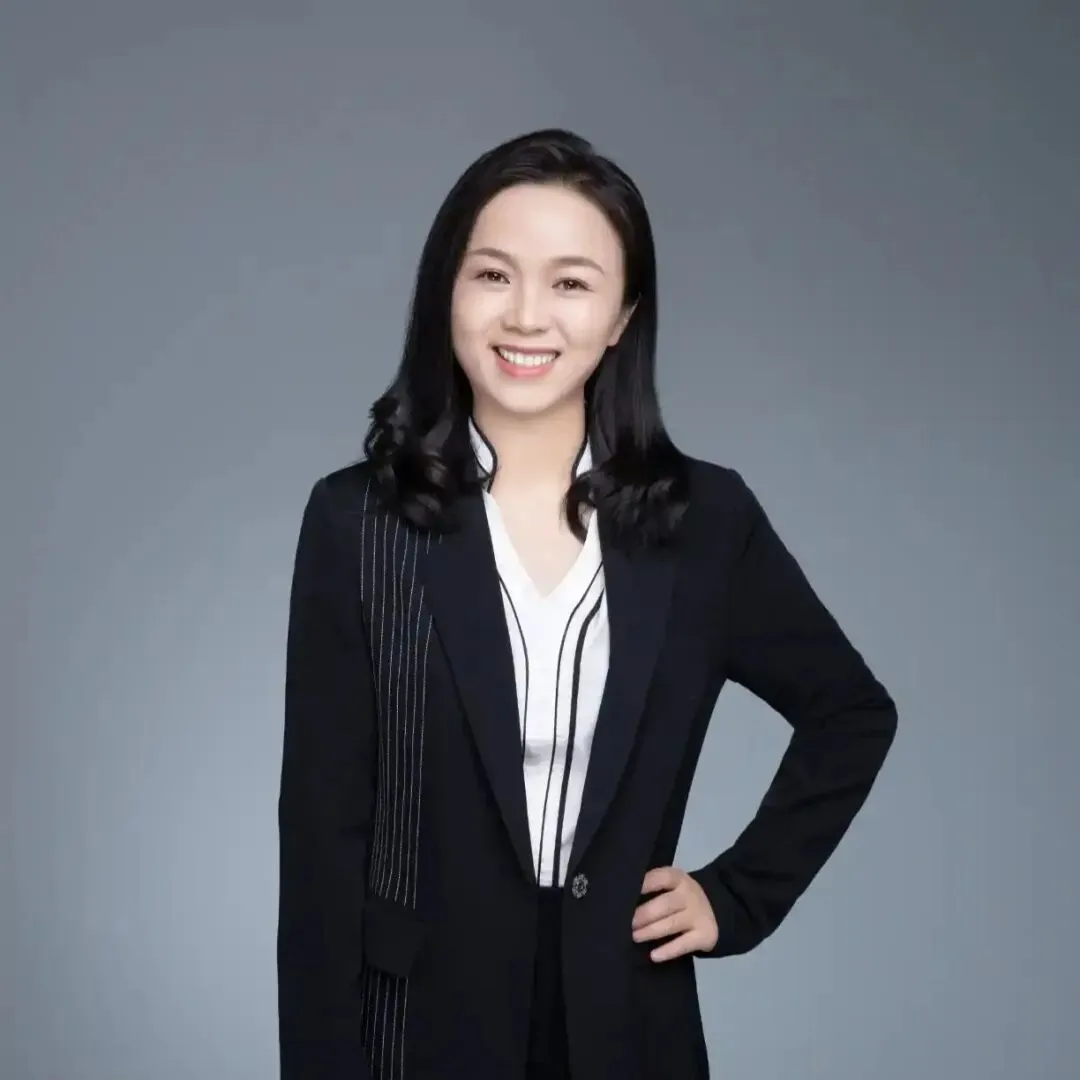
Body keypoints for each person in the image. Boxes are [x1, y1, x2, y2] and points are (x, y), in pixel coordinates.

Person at [277, 128, 898, 1080]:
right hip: (416, 1029)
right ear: (447, 291)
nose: (527, 316)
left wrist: (737, 895)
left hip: (628, 1026)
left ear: (622, 317)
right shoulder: (357, 521)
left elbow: (850, 712)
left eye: (571, 283)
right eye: (494, 275)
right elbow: (322, 838)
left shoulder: (705, 522)